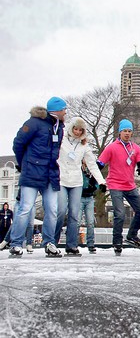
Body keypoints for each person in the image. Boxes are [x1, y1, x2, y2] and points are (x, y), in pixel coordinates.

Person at [9, 97, 67, 257]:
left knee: (52, 210)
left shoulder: (59, 128)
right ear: (56, 110)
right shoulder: (34, 123)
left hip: (50, 172)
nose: (65, 112)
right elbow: (18, 143)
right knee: (25, 208)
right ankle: (15, 243)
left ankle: (49, 243)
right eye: (64, 109)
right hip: (32, 171)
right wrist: (24, 163)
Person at [55, 117, 106, 255]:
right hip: (62, 179)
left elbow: (92, 165)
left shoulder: (84, 145)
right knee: (60, 211)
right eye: (75, 129)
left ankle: (71, 245)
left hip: (76, 182)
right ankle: (52, 242)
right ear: (71, 128)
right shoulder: (61, 140)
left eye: (80, 130)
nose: (77, 132)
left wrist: (101, 181)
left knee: (74, 215)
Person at [97, 119, 140, 255]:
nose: (127, 133)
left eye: (129, 131)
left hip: (130, 185)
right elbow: (100, 163)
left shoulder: (135, 148)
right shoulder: (112, 147)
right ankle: (117, 241)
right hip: (115, 185)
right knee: (119, 214)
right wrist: (95, 178)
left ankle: (132, 235)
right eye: (124, 131)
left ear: (132, 133)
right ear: (120, 132)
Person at [79, 159, 104, 253]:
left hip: (89, 198)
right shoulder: (79, 170)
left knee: (90, 222)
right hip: (80, 197)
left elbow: (96, 182)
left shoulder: (91, 171)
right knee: (77, 221)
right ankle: (73, 243)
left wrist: (94, 187)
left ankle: (90, 243)